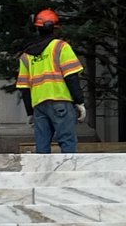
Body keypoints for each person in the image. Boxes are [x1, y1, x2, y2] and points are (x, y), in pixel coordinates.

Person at [16, 8, 86, 154]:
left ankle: (43, 177)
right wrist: (79, 101)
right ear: (55, 28)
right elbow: (71, 77)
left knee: (42, 147)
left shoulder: (26, 55)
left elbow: (24, 87)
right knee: (67, 142)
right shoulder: (60, 47)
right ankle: (68, 175)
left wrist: (30, 112)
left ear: (37, 28)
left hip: (39, 106)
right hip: (60, 102)